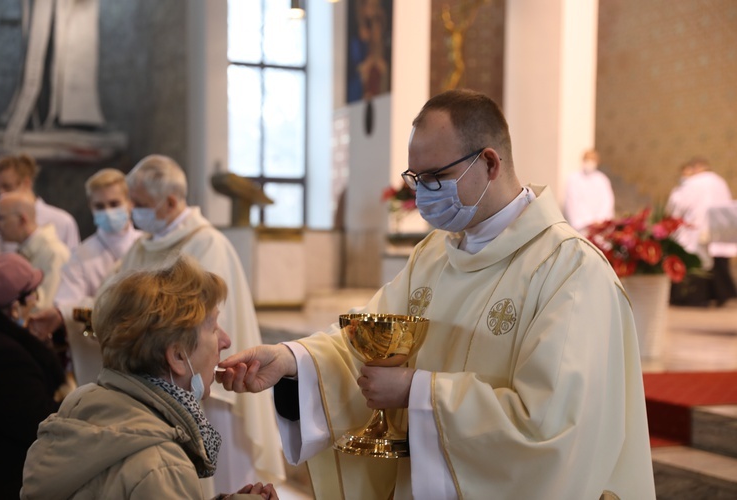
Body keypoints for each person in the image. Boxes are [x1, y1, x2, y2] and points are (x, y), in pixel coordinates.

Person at [217, 90, 656, 499]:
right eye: (416, 177)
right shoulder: (434, 254)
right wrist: (292, 361)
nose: (423, 193)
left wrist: (416, 391)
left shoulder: (570, 273)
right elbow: (367, 340)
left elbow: (551, 428)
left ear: (490, 163)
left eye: (436, 176)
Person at [21, 256, 278, 499]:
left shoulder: (85, 401)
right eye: (213, 328)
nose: (226, 340)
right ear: (178, 356)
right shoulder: (162, 466)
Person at [118, 155, 284, 492]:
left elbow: (196, 321)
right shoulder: (141, 246)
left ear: (170, 201)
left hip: (205, 386)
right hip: (155, 378)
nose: (132, 210)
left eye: (140, 203)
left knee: (217, 477)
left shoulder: (206, 244)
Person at [27, 168, 142, 384]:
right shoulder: (81, 255)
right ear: (91, 207)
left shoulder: (147, 244)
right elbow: (68, 306)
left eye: (114, 203)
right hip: (102, 352)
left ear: (130, 202)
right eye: (100, 206)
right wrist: (62, 313)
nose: (107, 211)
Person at [0, 253, 65, 499]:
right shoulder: (5, 356)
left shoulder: (3, 343)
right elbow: (40, 423)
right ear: (14, 307)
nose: (36, 302)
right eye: (32, 295)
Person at [667, 157, 737, 306]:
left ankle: (692, 299)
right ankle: (720, 297)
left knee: (695, 264)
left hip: (694, 229)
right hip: (717, 228)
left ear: (696, 168)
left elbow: (676, 205)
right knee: (717, 265)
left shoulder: (693, 183)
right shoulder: (720, 181)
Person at [0, 153, 80, 256]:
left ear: (26, 183)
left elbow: (72, 265)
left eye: (7, 186)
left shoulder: (62, 221)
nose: (1, 193)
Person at [0, 191, 70, 310]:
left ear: (22, 219)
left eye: (0, 218)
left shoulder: (54, 253)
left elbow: (43, 308)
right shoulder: (24, 249)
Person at [563, 148, 615, 234]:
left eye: (593, 160)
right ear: (583, 160)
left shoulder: (602, 179)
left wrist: (600, 220)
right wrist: (588, 222)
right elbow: (572, 203)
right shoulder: (573, 179)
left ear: (597, 161)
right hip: (582, 228)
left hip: (600, 227)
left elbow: (608, 201)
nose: (590, 163)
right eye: (587, 159)